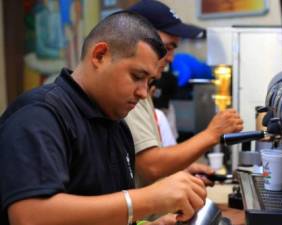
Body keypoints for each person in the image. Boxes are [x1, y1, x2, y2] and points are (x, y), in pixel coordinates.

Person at [0, 11, 206, 225]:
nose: (143, 92)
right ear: (99, 56)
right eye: (137, 77)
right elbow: (30, 217)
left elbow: (108, 213)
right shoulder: (40, 115)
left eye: (149, 81)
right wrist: (149, 199)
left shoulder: (117, 125)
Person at [125, 0, 244, 185]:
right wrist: (212, 133)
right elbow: (150, 166)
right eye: (167, 47)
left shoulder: (143, 90)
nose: (171, 58)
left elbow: (142, 166)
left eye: (174, 48)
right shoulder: (129, 92)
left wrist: (180, 170)